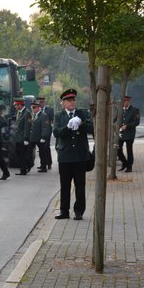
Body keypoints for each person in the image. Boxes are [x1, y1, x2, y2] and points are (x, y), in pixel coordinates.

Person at [53, 88, 93, 220]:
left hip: (80, 155)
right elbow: (56, 132)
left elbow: (92, 128)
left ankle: (79, 211)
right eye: (68, 100)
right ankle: (64, 211)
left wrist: (81, 123)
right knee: (65, 185)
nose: (72, 102)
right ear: (63, 103)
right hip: (65, 155)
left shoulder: (83, 113)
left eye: (73, 100)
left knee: (80, 185)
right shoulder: (59, 115)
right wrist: (68, 127)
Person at [116, 95, 140, 172]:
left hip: (129, 133)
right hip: (121, 133)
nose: (122, 103)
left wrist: (127, 126)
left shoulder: (135, 110)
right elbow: (115, 119)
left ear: (128, 101)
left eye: (124, 102)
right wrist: (116, 125)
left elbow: (136, 122)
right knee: (117, 149)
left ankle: (129, 167)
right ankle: (125, 163)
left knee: (129, 150)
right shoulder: (120, 110)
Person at [29, 100, 51, 172]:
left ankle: (44, 167)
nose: (32, 109)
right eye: (31, 108)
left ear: (38, 107)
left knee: (42, 153)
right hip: (33, 137)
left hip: (40, 137)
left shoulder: (43, 115)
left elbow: (45, 127)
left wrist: (43, 137)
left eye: (34, 107)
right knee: (29, 151)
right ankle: (29, 165)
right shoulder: (33, 115)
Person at [13, 97, 32, 175]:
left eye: (16, 105)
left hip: (23, 138)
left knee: (22, 154)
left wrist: (26, 138)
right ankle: (28, 165)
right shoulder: (19, 112)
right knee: (18, 153)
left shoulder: (27, 113)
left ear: (20, 104)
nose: (15, 106)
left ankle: (23, 170)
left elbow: (27, 127)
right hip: (18, 137)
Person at [36, 96, 54, 169]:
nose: (40, 103)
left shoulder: (49, 110)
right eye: (39, 102)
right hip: (39, 132)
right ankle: (42, 164)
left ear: (44, 102)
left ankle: (49, 163)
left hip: (47, 131)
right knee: (41, 148)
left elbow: (52, 120)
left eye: (42, 102)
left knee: (46, 147)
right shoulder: (37, 110)